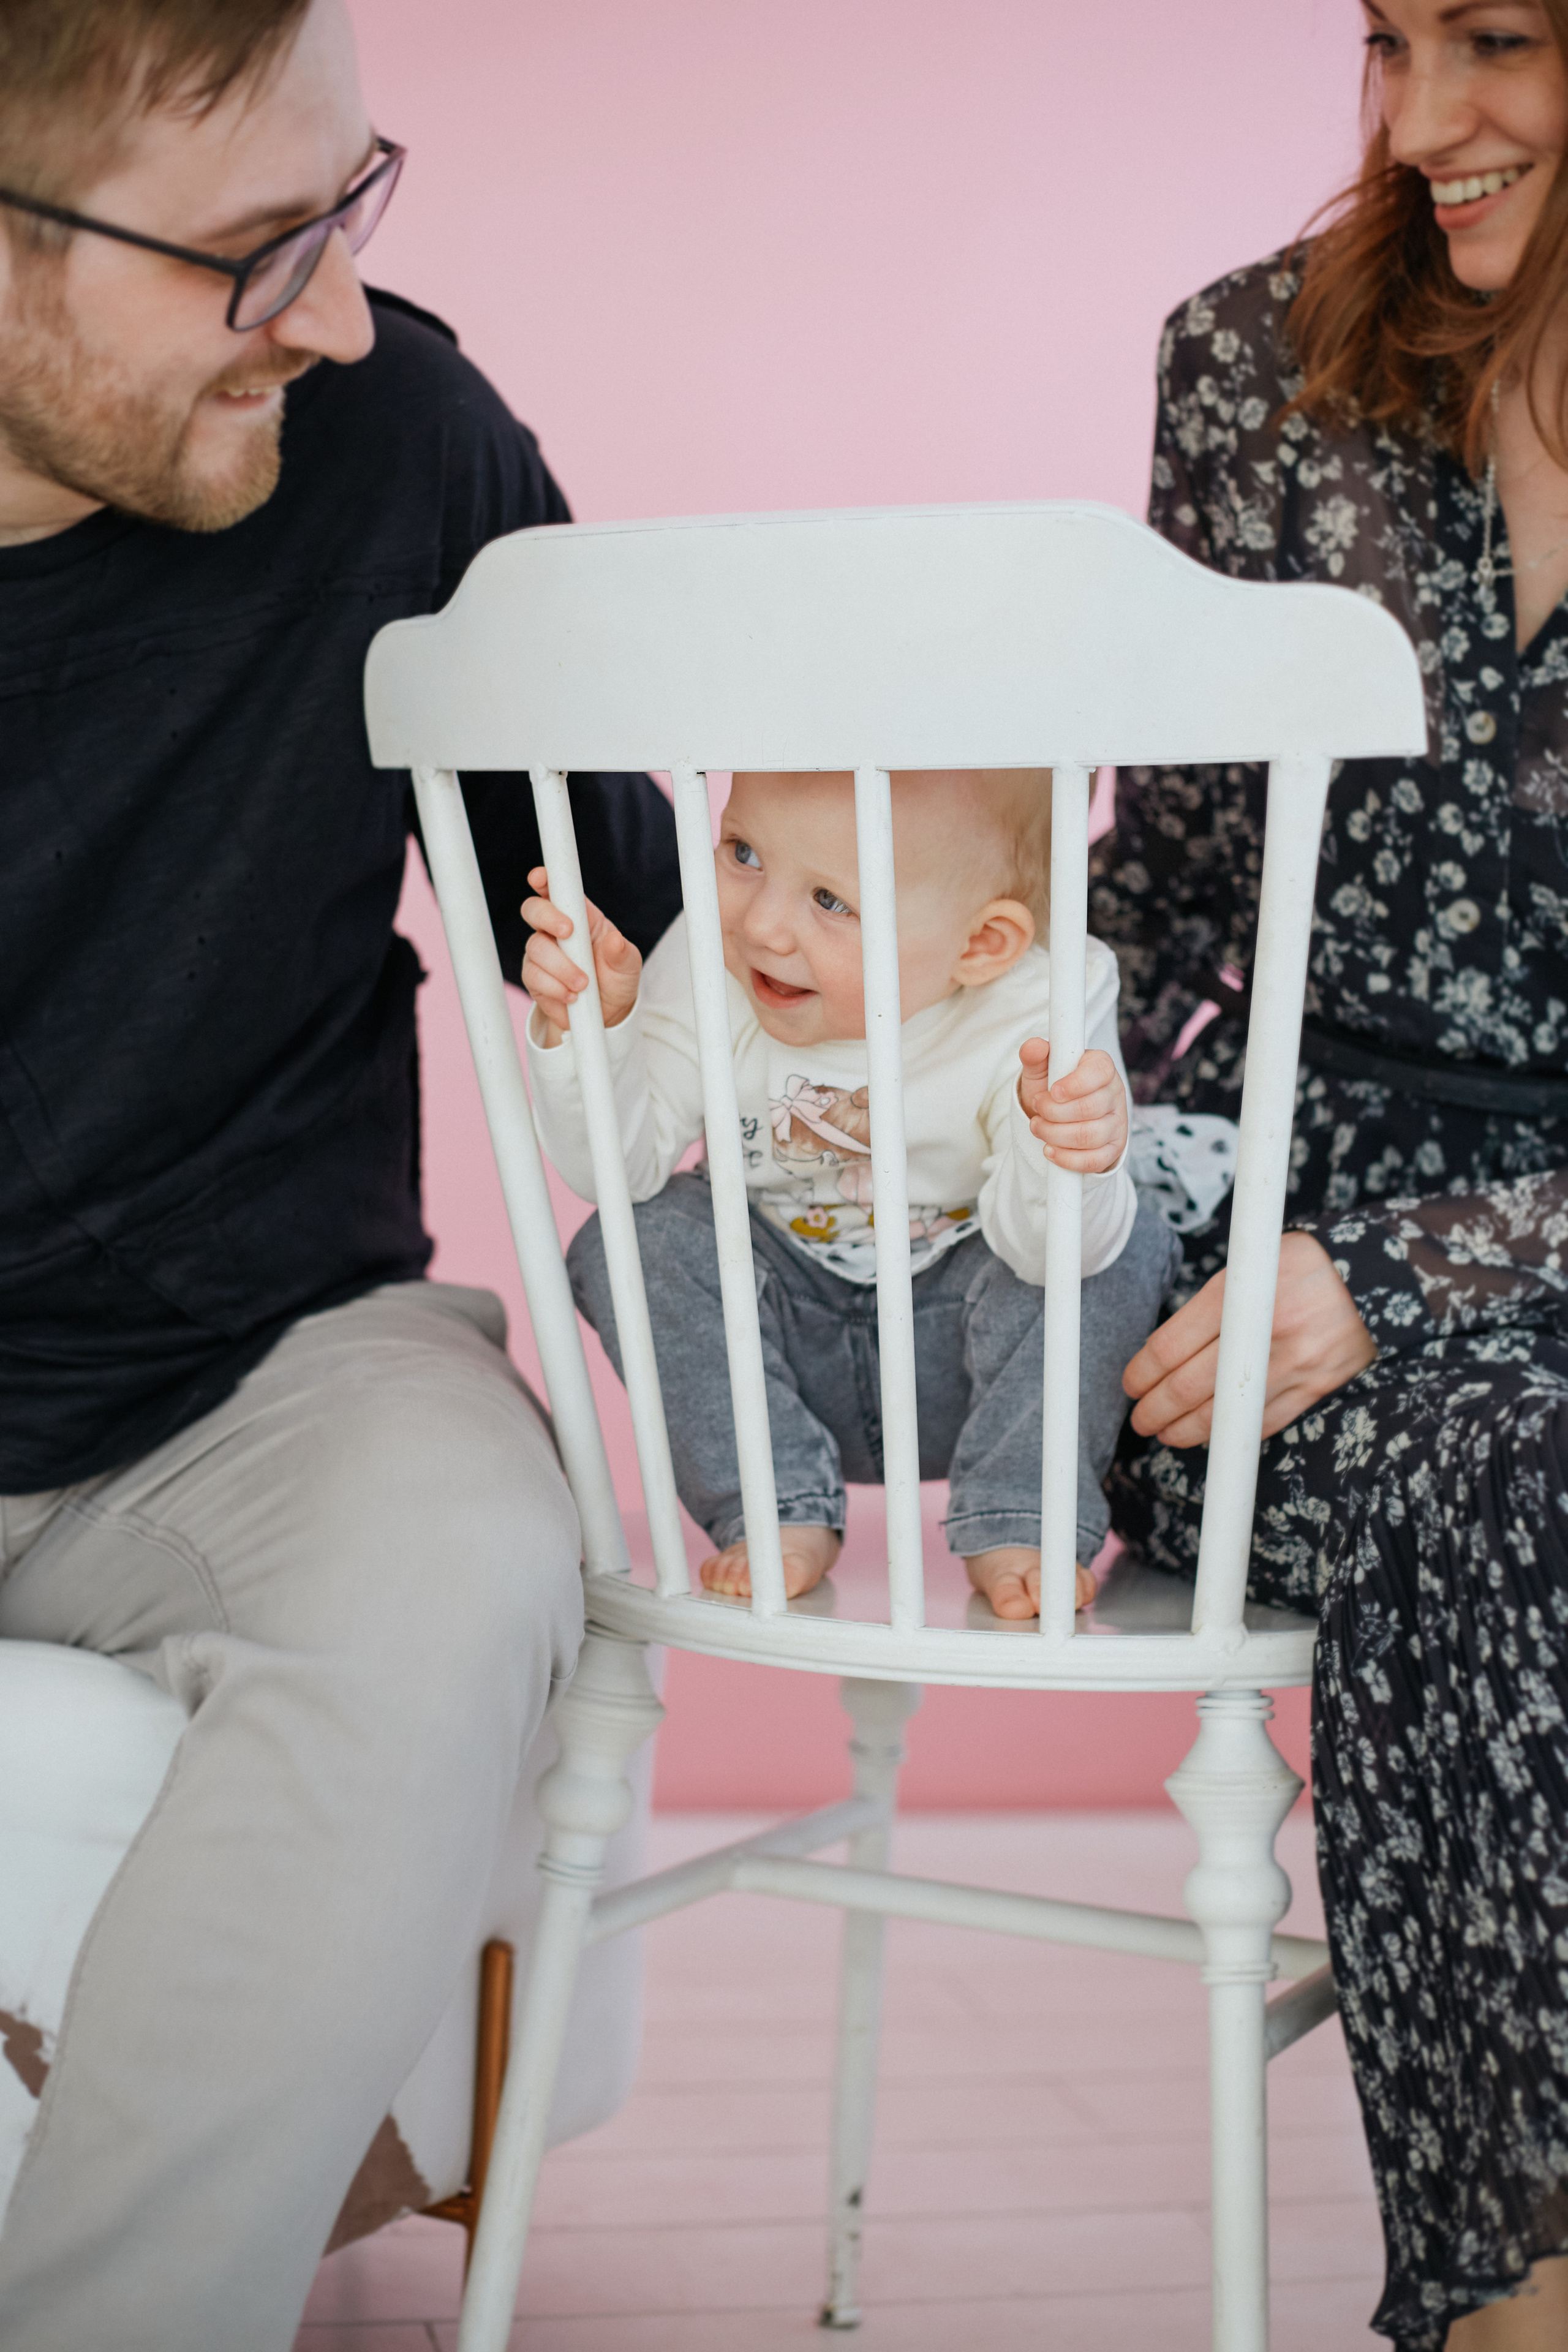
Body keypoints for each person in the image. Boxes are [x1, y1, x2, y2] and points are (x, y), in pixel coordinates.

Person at [0, 3, 680, 2348]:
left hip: (259, 1381)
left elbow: (653, 972)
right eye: (247, 250)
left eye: (350, 204)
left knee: (474, 1546)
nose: (339, 311)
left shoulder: (397, 447)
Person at [1091, 0, 1568, 2343]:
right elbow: (1160, 904)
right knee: (1511, 1472)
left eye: (1503, 37)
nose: (1420, 119)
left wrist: (1418, 1264)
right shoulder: (1251, 372)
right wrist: (981, 1141)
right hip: (1252, 1247)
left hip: (1473, 1260)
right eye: (1388, 37)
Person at [521, 766, 1183, 1619]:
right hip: (781, 1340)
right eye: (745, 852)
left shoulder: (1042, 997)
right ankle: (773, 1498)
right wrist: (591, 1034)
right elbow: (622, 1170)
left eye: (831, 901)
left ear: (982, 945)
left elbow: (1044, 1253)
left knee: (1118, 1245)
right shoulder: (707, 956)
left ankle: (1021, 1510)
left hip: (969, 1348)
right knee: (629, 1235)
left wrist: (1071, 1153)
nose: (762, 924)